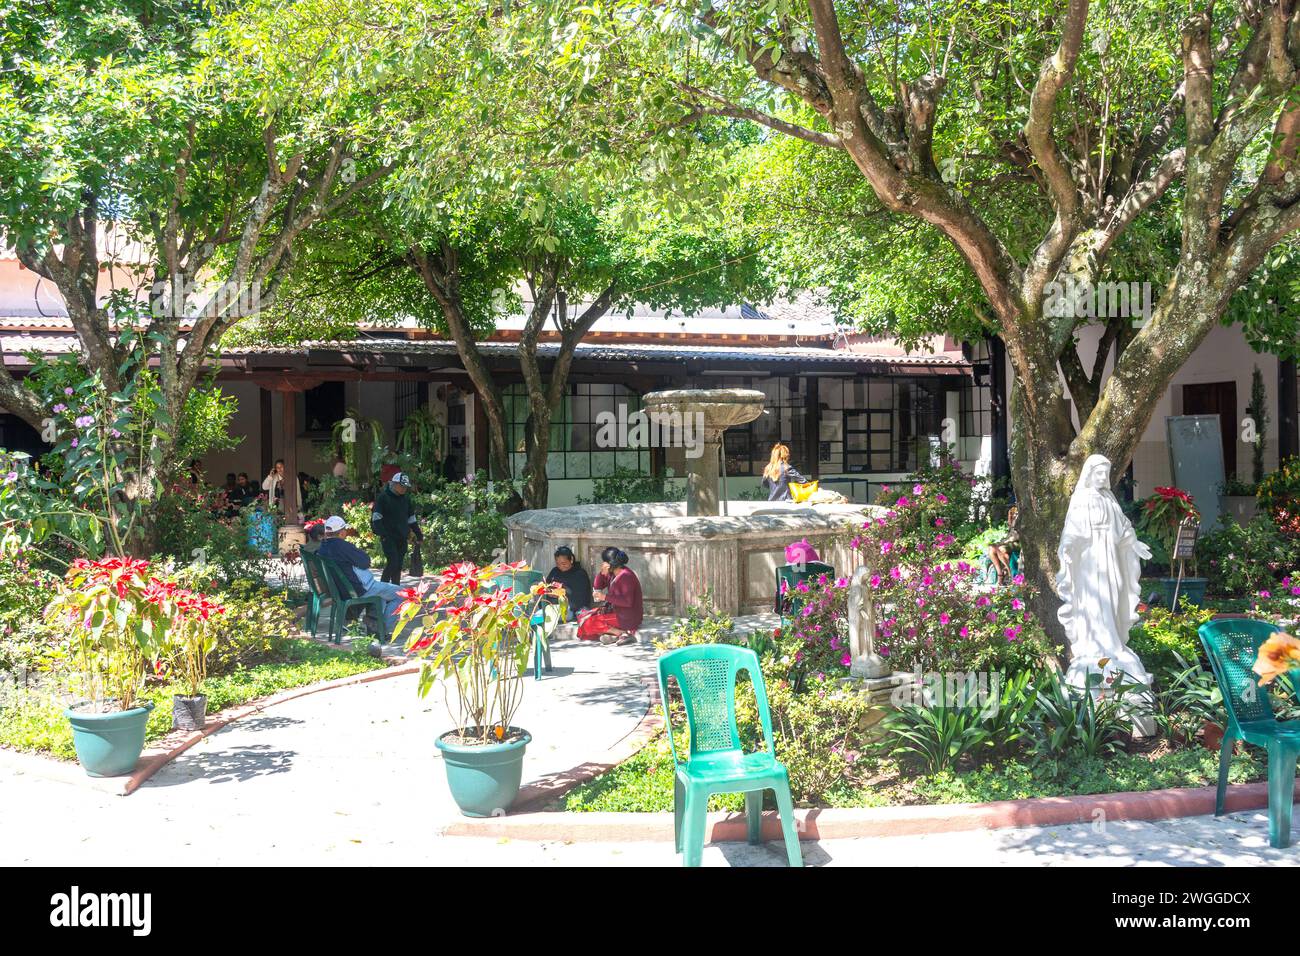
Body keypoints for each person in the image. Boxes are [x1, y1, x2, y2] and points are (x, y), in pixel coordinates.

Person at [312, 515, 403, 634]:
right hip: (358, 590)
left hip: (340, 590)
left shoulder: (322, 548)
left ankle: (373, 624)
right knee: (401, 594)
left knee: (380, 594)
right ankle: (382, 630)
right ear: (341, 533)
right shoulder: (343, 546)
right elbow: (365, 562)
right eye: (344, 529)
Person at [580, 546, 642, 646]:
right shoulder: (613, 572)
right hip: (616, 613)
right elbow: (597, 586)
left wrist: (604, 597)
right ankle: (614, 635)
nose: (603, 564)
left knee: (587, 624)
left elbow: (627, 602)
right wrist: (601, 573)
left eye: (604, 562)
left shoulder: (626, 576)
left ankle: (623, 634)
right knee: (583, 617)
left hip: (627, 617)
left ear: (611, 564)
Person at [371, 472, 423, 584]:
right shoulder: (383, 498)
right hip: (388, 537)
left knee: (398, 565)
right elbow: (376, 519)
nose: (404, 488)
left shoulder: (406, 499)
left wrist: (418, 534)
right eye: (402, 486)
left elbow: (411, 519)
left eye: (405, 486)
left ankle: (395, 590)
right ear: (394, 484)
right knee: (392, 562)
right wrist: (383, 535)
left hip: (402, 537)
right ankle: (383, 587)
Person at [544, 546, 592, 622]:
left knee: (547, 617)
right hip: (553, 607)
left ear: (571, 560)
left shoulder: (580, 574)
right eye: (558, 564)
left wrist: (561, 592)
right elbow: (546, 586)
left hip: (572, 610)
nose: (561, 567)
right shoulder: (555, 571)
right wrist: (549, 592)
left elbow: (580, 599)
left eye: (564, 563)